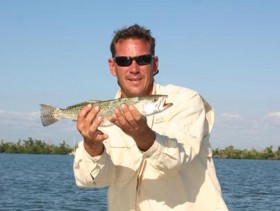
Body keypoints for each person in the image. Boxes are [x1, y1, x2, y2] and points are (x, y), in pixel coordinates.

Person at [73, 24, 228, 211]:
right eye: (124, 61)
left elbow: (174, 162)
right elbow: (90, 180)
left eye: (143, 60)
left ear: (155, 64)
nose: (134, 68)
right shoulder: (104, 115)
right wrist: (92, 145)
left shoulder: (186, 100)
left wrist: (142, 135)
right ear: (112, 67)